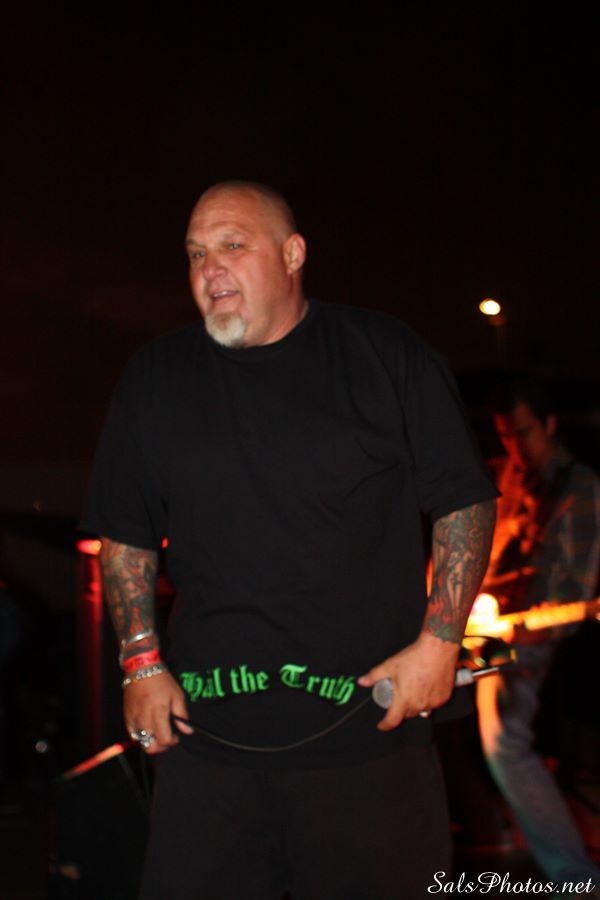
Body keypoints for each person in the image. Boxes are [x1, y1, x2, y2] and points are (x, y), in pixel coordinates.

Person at [80, 181, 497, 900]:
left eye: (232, 245)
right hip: (207, 746)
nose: (210, 267)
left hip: (370, 742)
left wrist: (440, 641)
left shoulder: (384, 354)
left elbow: (464, 498)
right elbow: (127, 535)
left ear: (293, 254)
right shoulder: (156, 377)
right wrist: (140, 664)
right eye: (196, 253)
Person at [476, 378, 600, 891]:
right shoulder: (499, 477)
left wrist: (512, 633)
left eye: (523, 432)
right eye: (505, 435)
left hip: (523, 640)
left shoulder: (581, 489)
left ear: (549, 424)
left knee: (505, 741)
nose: (515, 447)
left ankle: (576, 879)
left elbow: (573, 602)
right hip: (475, 631)